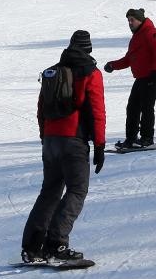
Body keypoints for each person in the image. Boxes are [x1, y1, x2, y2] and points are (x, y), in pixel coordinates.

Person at [22, 29, 106, 264]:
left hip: (50, 141)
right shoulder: (91, 73)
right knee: (77, 190)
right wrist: (99, 145)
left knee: (49, 192)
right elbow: (98, 111)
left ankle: (31, 247)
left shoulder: (52, 72)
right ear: (89, 49)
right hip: (74, 141)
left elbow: (40, 109)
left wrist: (45, 137)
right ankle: (56, 244)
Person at [105, 9, 156, 150]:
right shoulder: (136, 37)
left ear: (140, 19)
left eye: (132, 20)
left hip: (155, 76)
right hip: (142, 78)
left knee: (146, 106)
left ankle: (146, 139)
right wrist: (113, 65)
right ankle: (131, 139)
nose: (130, 23)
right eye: (128, 20)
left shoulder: (152, 32)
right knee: (132, 107)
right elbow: (129, 59)